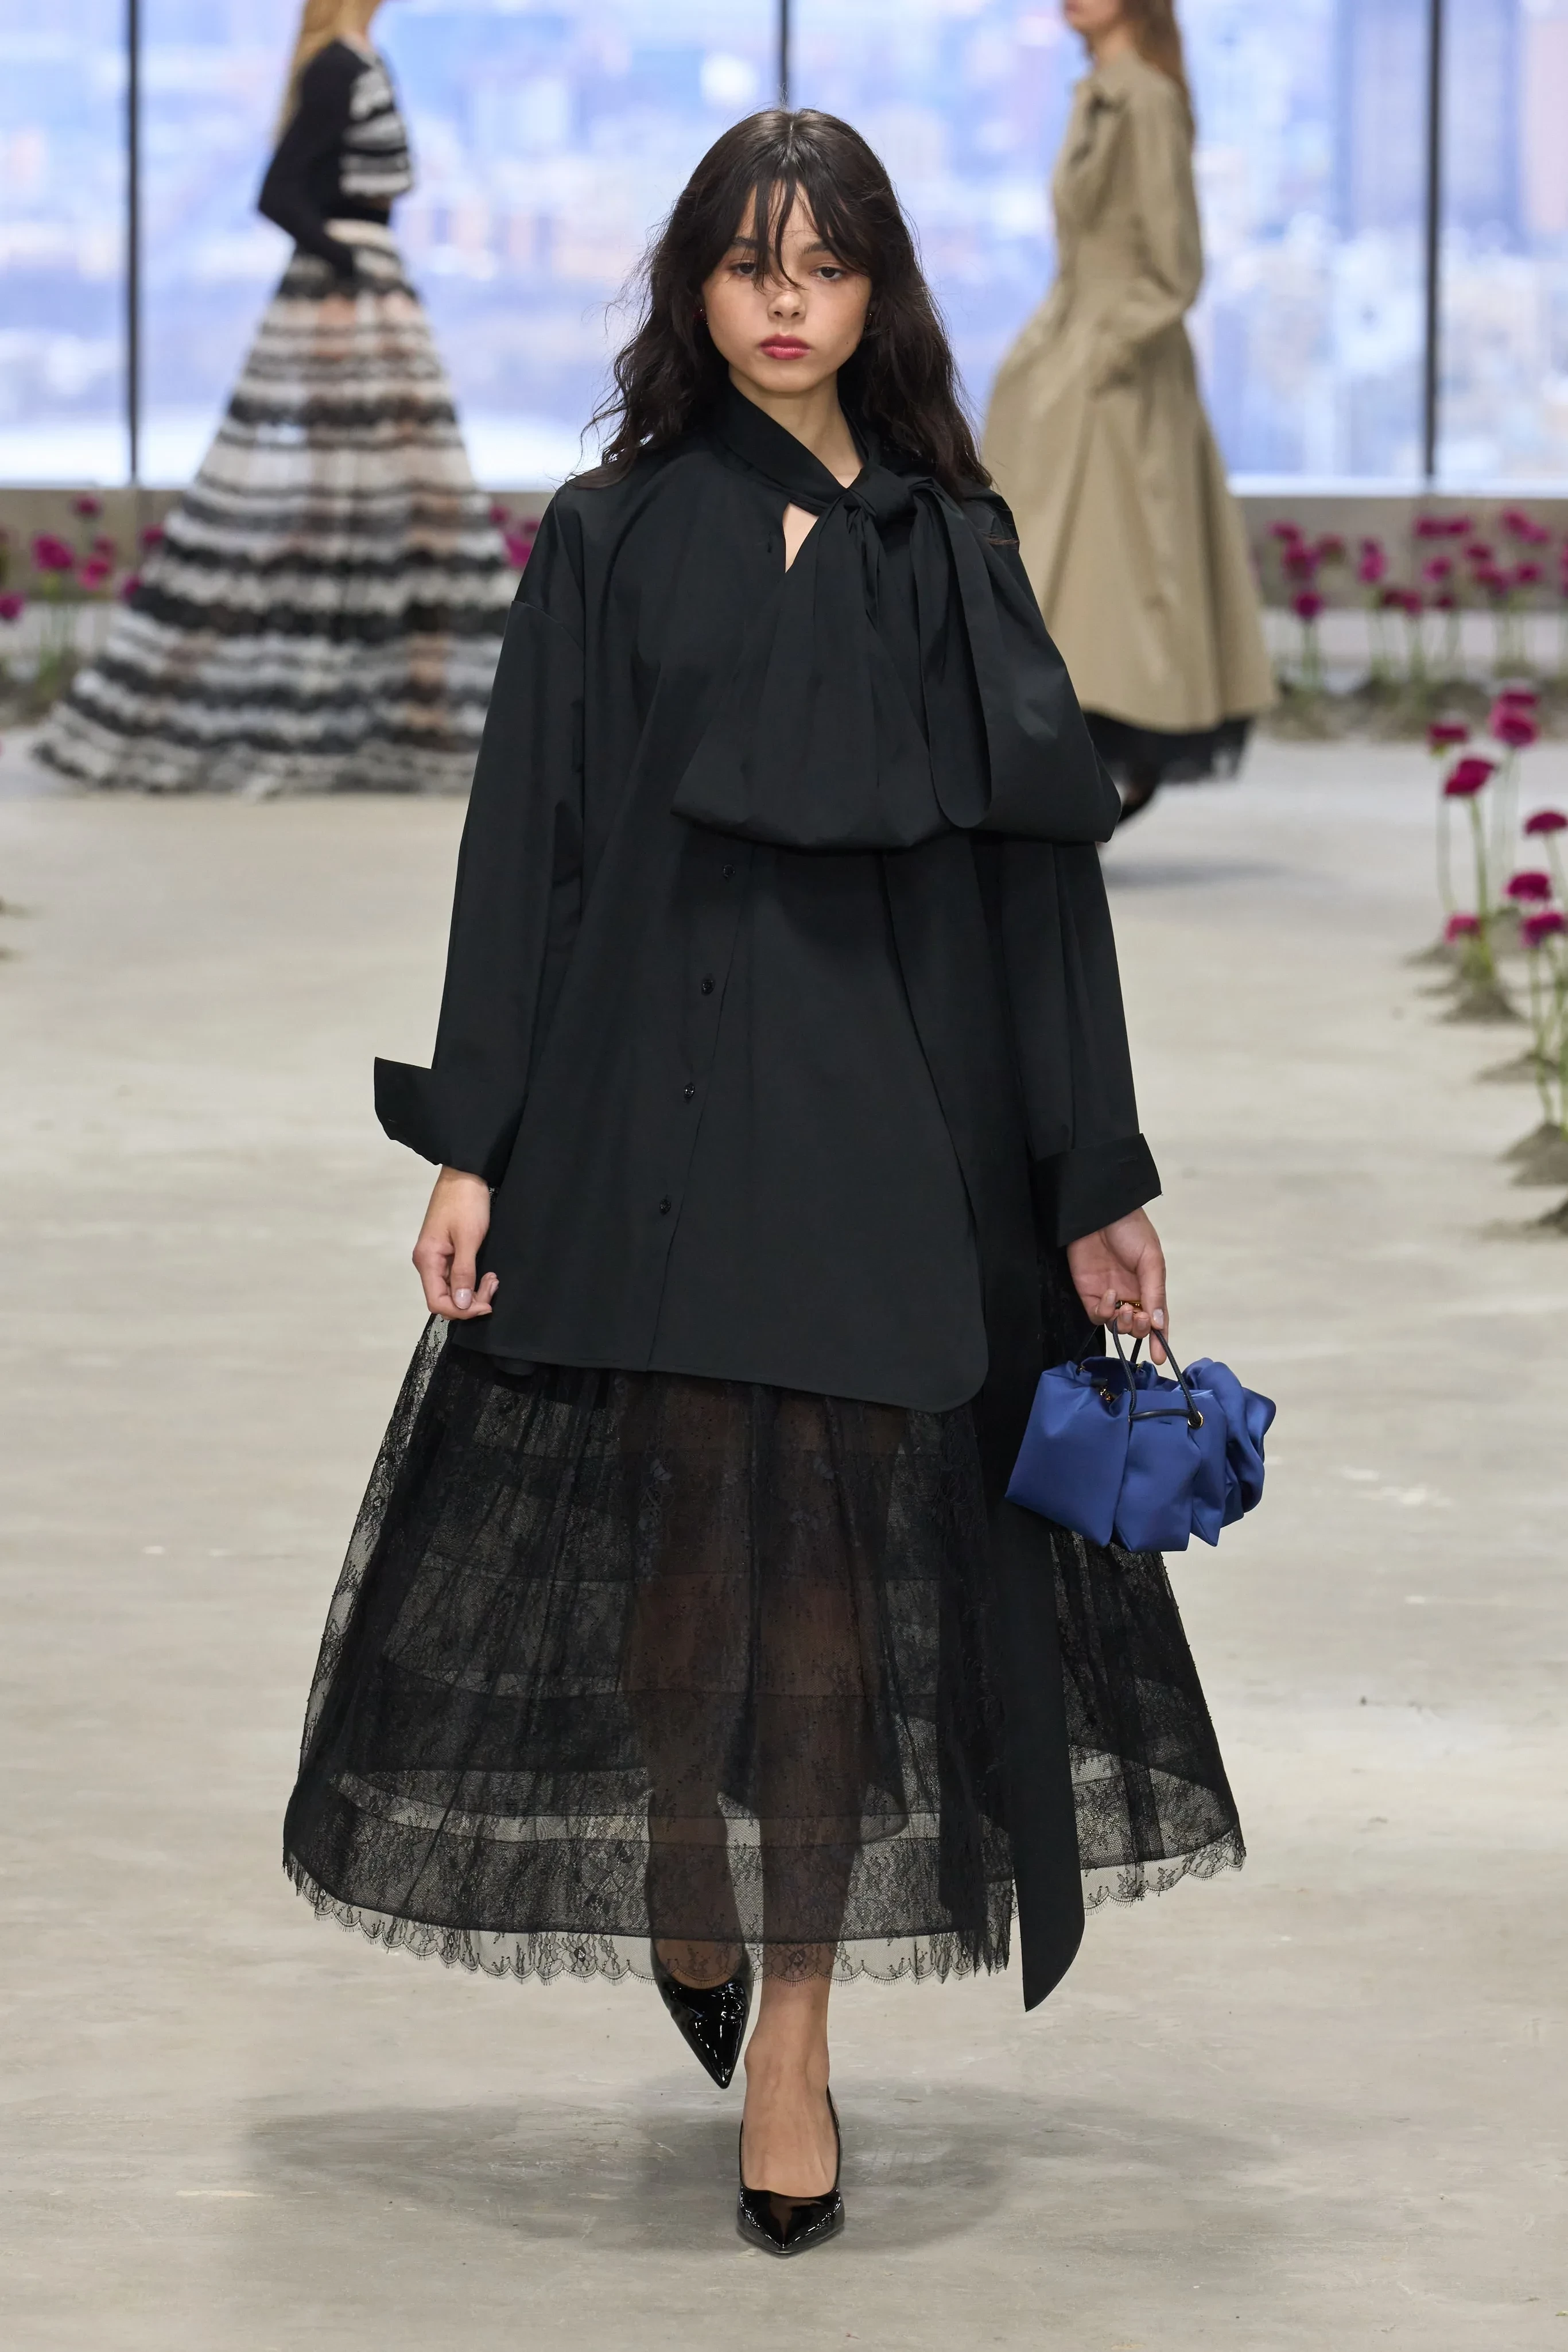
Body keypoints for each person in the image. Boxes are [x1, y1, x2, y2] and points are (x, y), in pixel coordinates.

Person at [282, 109, 1243, 2257]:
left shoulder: (955, 545)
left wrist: (1092, 1172)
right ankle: (685, 1870)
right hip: (653, 1113)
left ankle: (792, 2041)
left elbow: (1040, 894)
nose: (783, 300)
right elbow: (527, 855)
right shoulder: (611, 537)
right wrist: (472, 1139)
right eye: (745, 261)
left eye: (821, 263)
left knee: (827, 1593)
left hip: (895, 1129)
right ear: (695, 290)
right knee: (684, 1562)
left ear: (877, 288)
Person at [38, 0, 511, 794]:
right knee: (354, 506)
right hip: (347, 306)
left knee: (389, 508)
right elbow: (280, 192)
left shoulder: (356, 60)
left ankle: (385, 712)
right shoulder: (338, 66)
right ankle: (311, 707)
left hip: (366, 299)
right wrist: (348, 258)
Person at [983, 0, 1273, 822]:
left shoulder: (1144, 99)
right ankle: (1057, 770)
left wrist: (1107, 350)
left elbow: (1176, 268)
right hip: (1070, 361)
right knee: (1059, 570)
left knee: (1114, 580)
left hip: (1117, 377)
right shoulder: (1102, 94)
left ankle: (1102, 766)